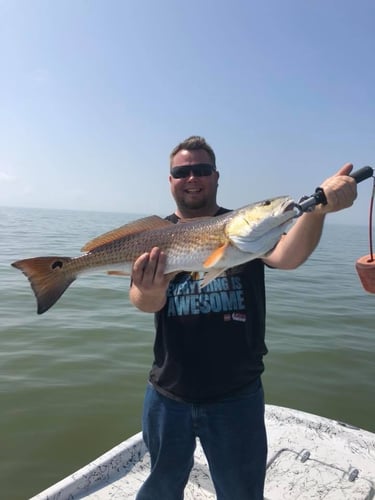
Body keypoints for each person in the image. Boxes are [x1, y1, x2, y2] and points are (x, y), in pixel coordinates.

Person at [130, 136, 357, 500]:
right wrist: (152, 289)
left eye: (201, 170)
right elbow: (142, 301)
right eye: (182, 171)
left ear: (216, 177)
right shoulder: (155, 237)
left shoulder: (246, 231)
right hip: (168, 392)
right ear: (170, 180)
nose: (192, 178)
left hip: (236, 396)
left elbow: (288, 256)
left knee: (241, 493)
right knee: (160, 487)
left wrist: (317, 212)